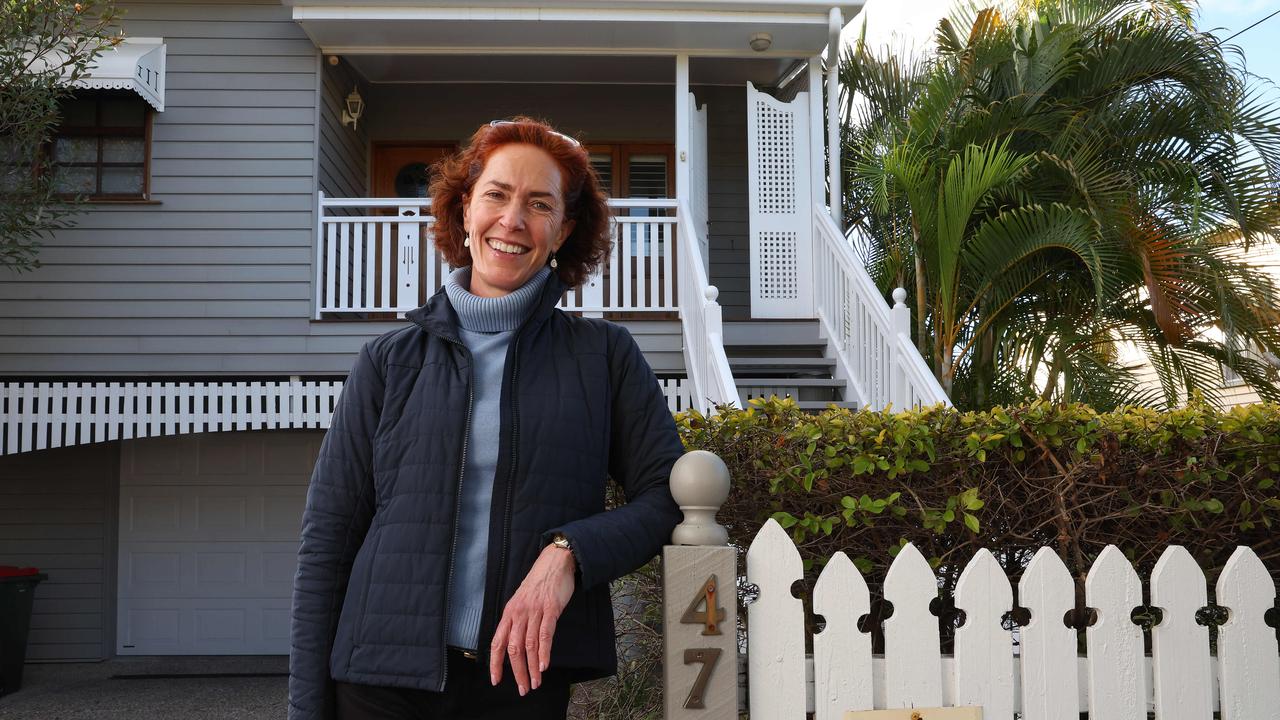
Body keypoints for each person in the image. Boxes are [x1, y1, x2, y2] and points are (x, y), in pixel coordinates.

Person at [288, 117, 685, 720]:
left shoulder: (604, 357)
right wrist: (306, 710)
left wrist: (569, 552)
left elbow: (666, 497)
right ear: (465, 208)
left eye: (539, 204)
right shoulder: (388, 362)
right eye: (496, 194)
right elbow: (327, 544)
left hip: (520, 683)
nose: (513, 220)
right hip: (377, 683)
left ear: (563, 230)